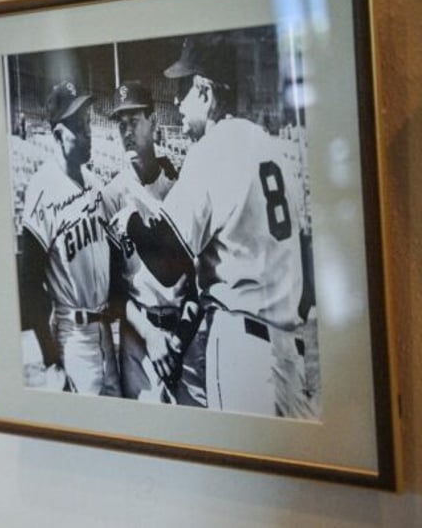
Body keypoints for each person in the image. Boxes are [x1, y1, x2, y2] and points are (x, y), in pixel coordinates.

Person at [116, 35, 317, 417]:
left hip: (244, 347)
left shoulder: (214, 148)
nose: (176, 101)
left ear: (205, 92)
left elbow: (167, 263)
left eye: (183, 89)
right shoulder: (272, 147)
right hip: (289, 349)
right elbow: (307, 264)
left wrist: (131, 220)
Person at [101, 81, 202, 404]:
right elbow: (113, 291)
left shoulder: (180, 185)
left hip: (186, 333)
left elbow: (200, 276)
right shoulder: (111, 196)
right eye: (121, 123)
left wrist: (179, 339)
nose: (126, 131)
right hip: (140, 340)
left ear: (154, 122)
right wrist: (151, 337)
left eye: (134, 121)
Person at [18, 81, 119, 396]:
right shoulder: (42, 190)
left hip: (105, 330)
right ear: (59, 135)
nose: (88, 134)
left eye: (88, 124)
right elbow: (30, 284)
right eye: (79, 127)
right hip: (73, 336)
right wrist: (51, 360)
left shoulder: (94, 182)